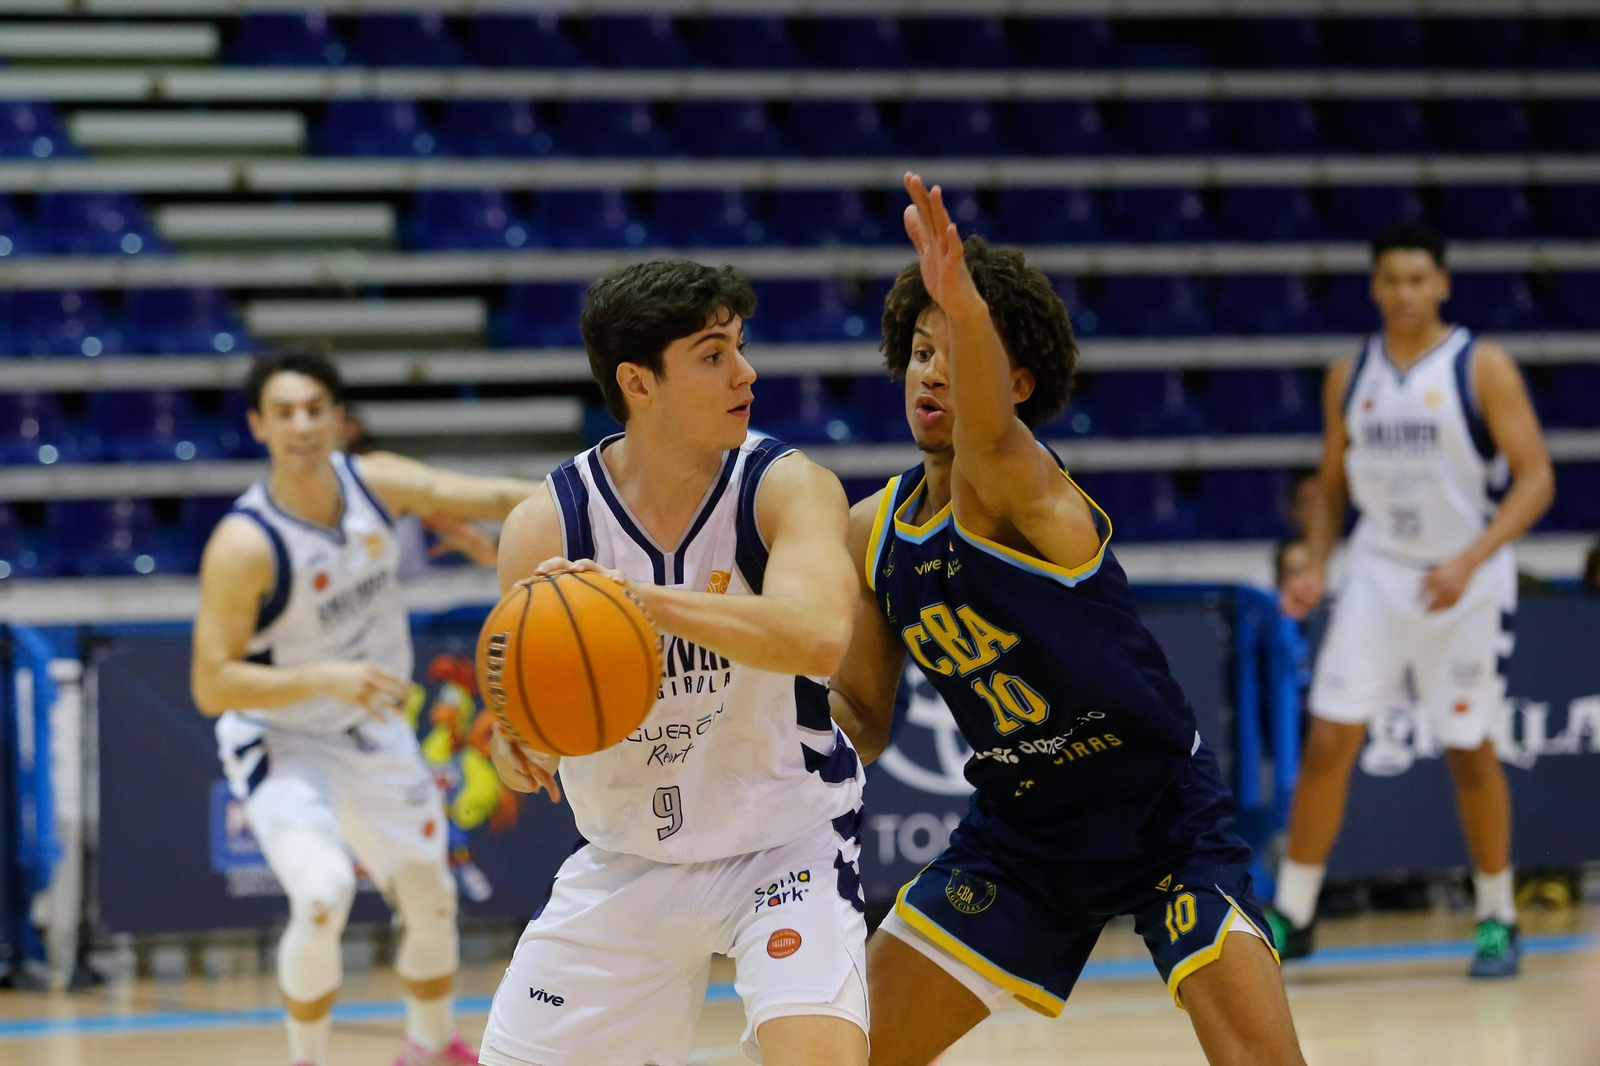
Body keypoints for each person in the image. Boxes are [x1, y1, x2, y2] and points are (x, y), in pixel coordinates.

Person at [827, 174, 1305, 1066]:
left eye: (956, 352)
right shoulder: (869, 533)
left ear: (1015, 381)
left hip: (1159, 815)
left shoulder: (1023, 483)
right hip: (1025, 835)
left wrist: (965, 305)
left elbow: (986, 433)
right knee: (847, 1054)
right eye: (920, 350)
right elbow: (860, 716)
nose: (933, 370)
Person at [480, 259, 870, 1066]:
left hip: (784, 843)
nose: (745, 372)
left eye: (739, 346)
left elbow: (818, 635)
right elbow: (525, 716)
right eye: (712, 355)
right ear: (638, 382)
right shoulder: (546, 528)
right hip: (628, 857)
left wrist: (640, 602)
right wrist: (518, 743)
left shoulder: (787, 488)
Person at [189, 349, 546, 1066]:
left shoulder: (375, 483)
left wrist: (593, 503)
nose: (301, 425)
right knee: (322, 895)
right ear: (259, 425)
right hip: (285, 740)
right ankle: (307, 1058)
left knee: (432, 897)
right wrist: (324, 678)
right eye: (284, 412)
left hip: (373, 728)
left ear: (338, 419)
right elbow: (212, 686)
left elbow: (493, 495)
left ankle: (428, 1045)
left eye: (314, 409)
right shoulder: (244, 544)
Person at [1266, 223, 1555, 977]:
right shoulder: (1349, 373)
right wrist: (1316, 564)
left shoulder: (1482, 365)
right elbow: (1332, 482)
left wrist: (1468, 560)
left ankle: (1497, 917)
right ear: (1374, 286)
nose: (1405, 293)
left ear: (1443, 284)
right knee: (1329, 742)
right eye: (1392, 280)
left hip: (1465, 579)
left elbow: (1536, 480)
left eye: (1418, 279)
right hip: (1378, 571)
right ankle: (1295, 910)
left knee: (1469, 749)